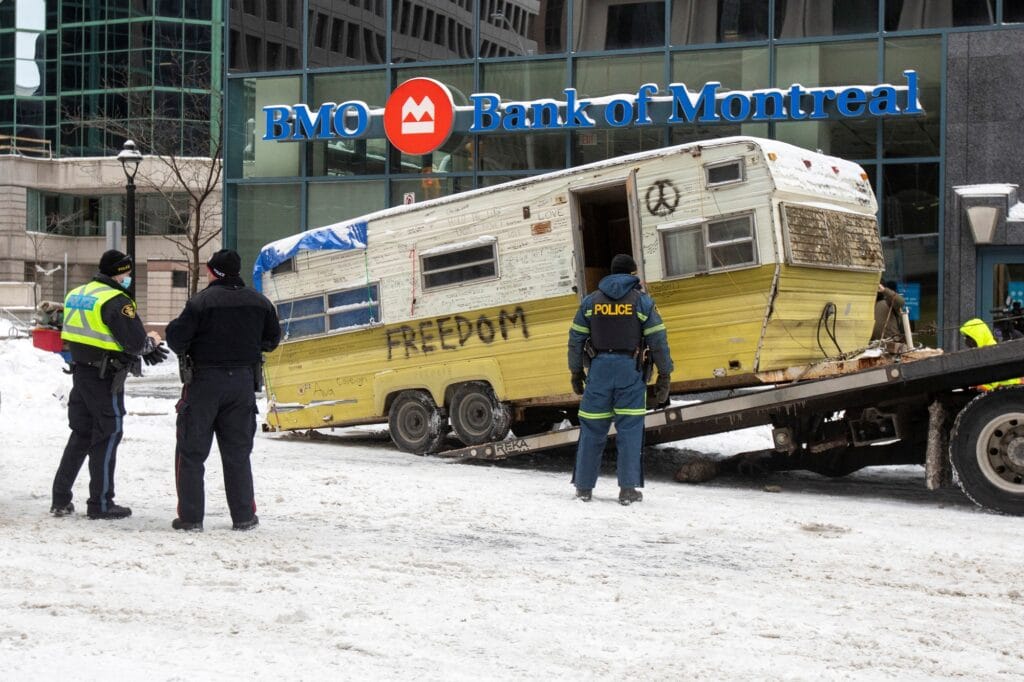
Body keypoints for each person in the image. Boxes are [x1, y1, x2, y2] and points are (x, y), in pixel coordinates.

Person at [166, 249, 281, 531]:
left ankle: (191, 518)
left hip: (204, 383)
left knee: (191, 454)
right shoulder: (260, 302)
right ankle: (244, 517)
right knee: (237, 454)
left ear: (213, 271)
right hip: (242, 384)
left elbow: (177, 339)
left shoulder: (200, 303)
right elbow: (272, 340)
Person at [51, 249, 169, 520]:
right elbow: (136, 342)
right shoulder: (117, 301)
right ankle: (101, 503)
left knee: (80, 434)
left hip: (81, 373)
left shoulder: (77, 294)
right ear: (119, 272)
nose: (128, 277)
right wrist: (152, 342)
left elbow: (95, 334)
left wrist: (138, 348)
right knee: (108, 434)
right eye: (126, 273)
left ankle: (60, 498)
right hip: (106, 379)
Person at [567, 253, 674, 505]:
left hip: (599, 372)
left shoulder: (590, 302)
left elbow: (575, 340)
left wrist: (575, 371)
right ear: (632, 274)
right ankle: (627, 490)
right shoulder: (642, 302)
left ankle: (583, 488)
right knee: (630, 430)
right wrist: (665, 373)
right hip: (630, 371)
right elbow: (658, 342)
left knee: (592, 429)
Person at [959, 317, 1022, 391]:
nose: (966, 341)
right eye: (965, 338)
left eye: (968, 337)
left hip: (1010, 390)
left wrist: (982, 387)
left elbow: (996, 380)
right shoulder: (983, 352)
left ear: (978, 336)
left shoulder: (992, 352)